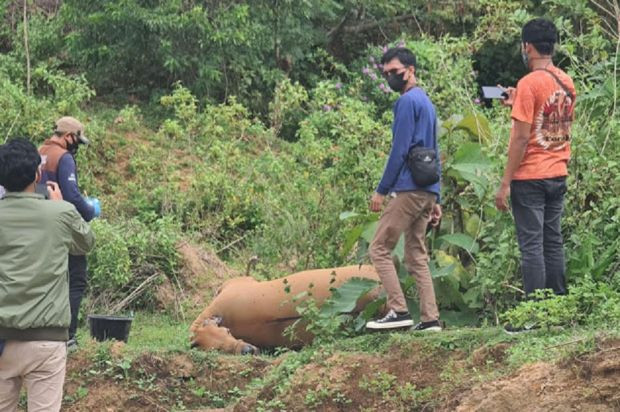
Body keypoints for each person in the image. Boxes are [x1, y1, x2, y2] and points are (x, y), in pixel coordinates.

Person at [0, 138, 95, 412]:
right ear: (37, 174)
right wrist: (62, 204)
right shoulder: (61, 214)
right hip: (46, 340)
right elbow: (86, 242)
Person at [495, 18, 576, 332]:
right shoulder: (567, 81)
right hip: (558, 171)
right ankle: (558, 311)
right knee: (552, 242)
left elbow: (520, 138)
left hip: (530, 176)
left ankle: (533, 315)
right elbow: (552, 121)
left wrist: (504, 182)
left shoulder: (530, 83)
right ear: (552, 45)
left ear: (527, 46)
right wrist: (518, 102)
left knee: (531, 245)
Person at [365, 47, 442, 332]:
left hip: (409, 189)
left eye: (395, 72)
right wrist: (437, 196)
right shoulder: (427, 102)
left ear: (410, 70)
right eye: (386, 74)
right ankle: (430, 318)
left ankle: (398, 310)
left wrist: (381, 190)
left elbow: (400, 150)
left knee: (379, 248)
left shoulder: (407, 102)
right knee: (415, 254)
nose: (390, 78)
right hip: (427, 190)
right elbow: (435, 151)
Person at [39, 116, 100, 348]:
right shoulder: (63, 158)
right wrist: (90, 210)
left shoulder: (40, 152)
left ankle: (45, 332)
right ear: (69, 137)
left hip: (38, 227)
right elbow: (73, 197)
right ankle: (69, 336)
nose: (77, 146)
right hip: (61, 226)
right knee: (75, 279)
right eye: (77, 141)